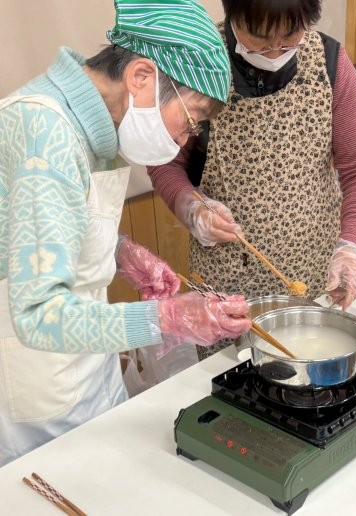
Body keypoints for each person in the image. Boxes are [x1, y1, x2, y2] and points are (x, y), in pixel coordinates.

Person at [0, 0, 252, 467]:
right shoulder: (44, 131)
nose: (185, 142)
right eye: (190, 120)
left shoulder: (94, 125)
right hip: (35, 378)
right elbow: (37, 313)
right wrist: (165, 318)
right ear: (140, 76)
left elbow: (42, 227)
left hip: (86, 363)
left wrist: (120, 252)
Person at [147, 0, 356, 360]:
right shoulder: (195, 64)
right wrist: (190, 206)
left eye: (289, 36)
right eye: (259, 38)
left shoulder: (329, 62)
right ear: (232, 15)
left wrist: (351, 249)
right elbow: (164, 163)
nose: (275, 51)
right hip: (226, 291)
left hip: (313, 278)